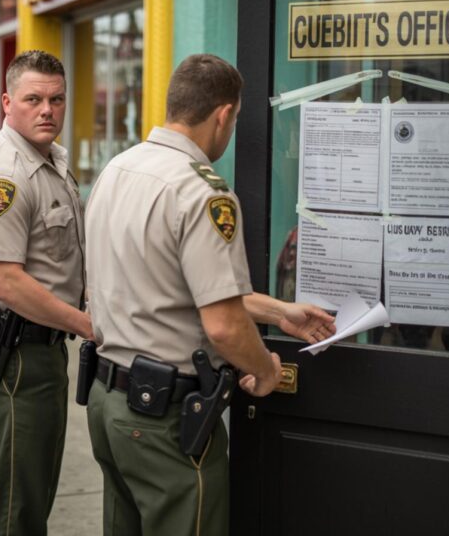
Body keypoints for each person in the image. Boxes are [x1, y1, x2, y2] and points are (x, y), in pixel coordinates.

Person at [83, 54, 336, 535]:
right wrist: (265, 369)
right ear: (223, 115)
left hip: (109, 402)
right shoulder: (203, 193)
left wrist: (279, 310)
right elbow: (221, 325)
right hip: (164, 418)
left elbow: (171, 285)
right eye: (236, 119)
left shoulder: (118, 169)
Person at [0, 50, 94, 535]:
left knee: (31, 492)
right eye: (33, 99)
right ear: (6, 102)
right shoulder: (6, 175)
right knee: (17, 505)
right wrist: (88, 325)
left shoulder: (50, 160)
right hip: (18, 356)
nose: (47, 110)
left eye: (56, 99)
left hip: (42, 349)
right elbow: (7, 282)